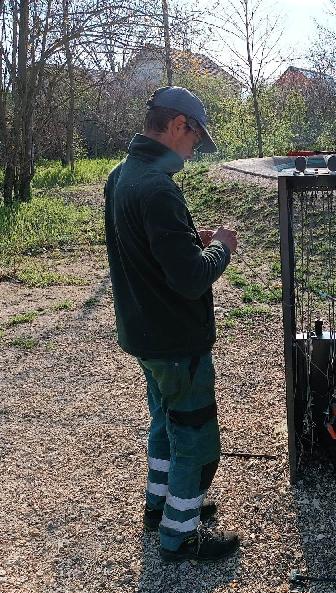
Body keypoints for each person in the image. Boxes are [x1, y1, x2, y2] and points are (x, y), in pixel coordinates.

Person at [104, 86, 240, 563]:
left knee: (163, 423)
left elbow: (141, 250)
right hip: (176, 340)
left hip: (144, 335)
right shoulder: (158, 186)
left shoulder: (122, 176)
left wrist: (188, 239)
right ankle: (179, 535)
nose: (192, 151)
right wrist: (220, 245)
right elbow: (190, 278)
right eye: (194, 140)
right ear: (178, 126)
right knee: (195, 437)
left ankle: (159, 506)